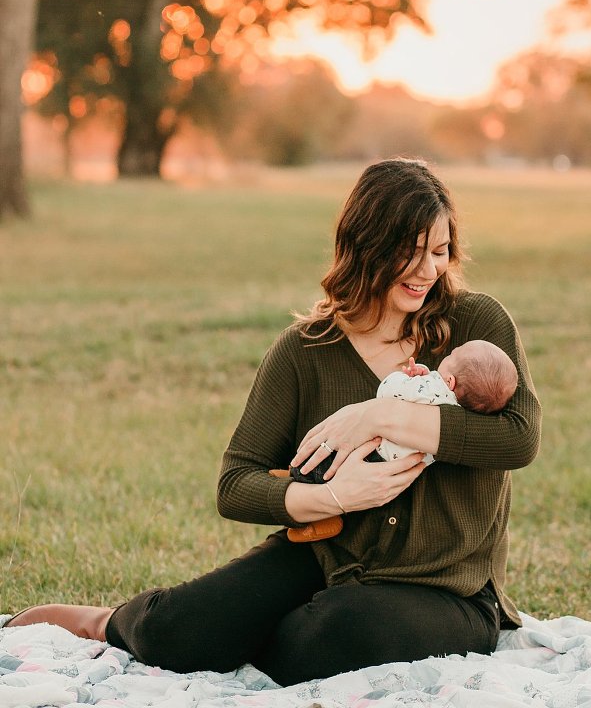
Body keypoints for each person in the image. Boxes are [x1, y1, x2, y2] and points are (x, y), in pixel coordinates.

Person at [4, 158, 541, 685]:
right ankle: (107, 620)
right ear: (365, 244)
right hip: (320, 558)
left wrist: (385, 414)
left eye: (441, 252)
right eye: (412, 251)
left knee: (327, 637)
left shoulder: (477, 323)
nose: (430, 270)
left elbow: (519, 439)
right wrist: (336, 498)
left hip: (447, 589)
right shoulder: (305, 351)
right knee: (179, 632)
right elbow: (236, 485)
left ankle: (260, 632)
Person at [283, 339, 520, 541]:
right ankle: (301, 485)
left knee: (329, 464)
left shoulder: (433, 388)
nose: (446, 356)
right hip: (395, 469)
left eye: (451, 356)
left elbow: (387, 392)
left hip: (376, 454)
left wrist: (404, 378)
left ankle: (309, 497)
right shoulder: (462, 413)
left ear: (450, 382)